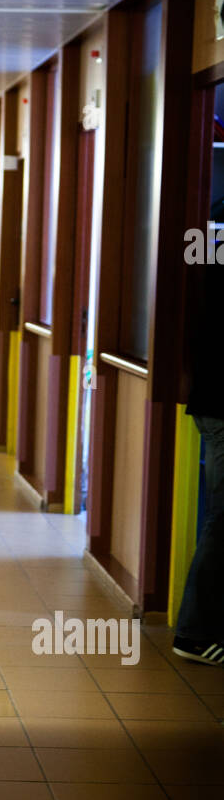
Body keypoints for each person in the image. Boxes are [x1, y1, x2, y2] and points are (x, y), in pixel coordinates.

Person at [173, 195, 224, 665]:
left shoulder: (207, 245)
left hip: (211, 400)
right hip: (219, 405)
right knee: (222, 519)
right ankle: (192, 633)